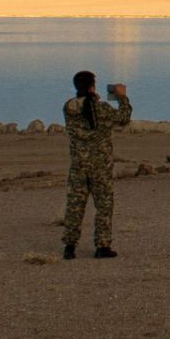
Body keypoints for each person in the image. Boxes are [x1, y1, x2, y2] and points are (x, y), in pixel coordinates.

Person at [61, 69, 133, 258]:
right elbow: (123, 119)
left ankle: (69, 247)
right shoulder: (101, 109)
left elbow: (83, 110)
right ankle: (102, 246)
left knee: (75, 206)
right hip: (100, 166)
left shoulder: (68, 108)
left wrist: (91, 99)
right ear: (93, 86)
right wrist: (122, 97)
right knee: (104, 206)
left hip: (78, 166)